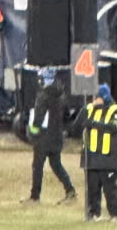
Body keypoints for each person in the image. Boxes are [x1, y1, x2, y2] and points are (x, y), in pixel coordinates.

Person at [25, 68, 75, 205]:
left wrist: (31, 131)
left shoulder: (43, 95)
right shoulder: (62, 95)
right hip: (57, 136)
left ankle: (35, 197)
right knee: (56, 164)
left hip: (43, 138)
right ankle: (70, 190)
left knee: (37, 166)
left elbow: (38, 119)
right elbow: (67, 116)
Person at [81, 83, 117, 221]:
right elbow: (75, 125)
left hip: (108, 158)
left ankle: (115, 214)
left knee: (110, 190)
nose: (94, 99)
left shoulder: (114, 110)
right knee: (92, 189)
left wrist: (93, 124)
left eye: (97, 96)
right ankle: (93, 213)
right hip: (92, 157)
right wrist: (86, 111)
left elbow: (114, 126)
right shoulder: (89, 109)